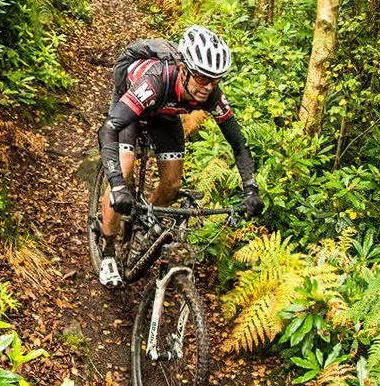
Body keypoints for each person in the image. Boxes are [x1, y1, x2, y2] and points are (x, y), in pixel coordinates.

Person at [96, 25, 262, 287]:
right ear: (184, 69)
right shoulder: (155, 80)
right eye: (202, 78)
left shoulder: (210, 94)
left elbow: (238, 143)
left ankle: (145, 224)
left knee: (173, 183)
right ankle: (107, 252)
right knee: (124, 168)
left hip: (165, 114)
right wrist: (117, 184)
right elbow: (109, 130)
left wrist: (251, 188)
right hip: (133, 106)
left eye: (215, 80)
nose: (208, 87)